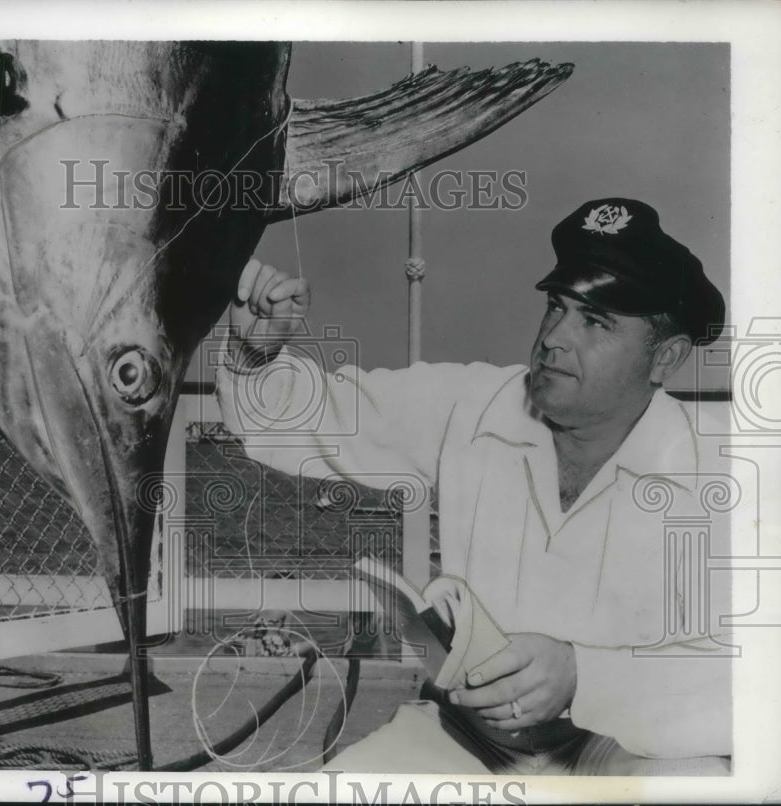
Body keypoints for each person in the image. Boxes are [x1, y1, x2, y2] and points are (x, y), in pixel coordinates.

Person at [215, 198, 733, 775]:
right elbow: (308, 415)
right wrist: (254, 354)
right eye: (556, 308)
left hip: (628, 750)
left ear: (666, 358)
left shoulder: (726, 471)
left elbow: (757, 674)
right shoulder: (475, 404)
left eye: (595, 322)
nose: (555, 338)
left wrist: (583, 676)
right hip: (467, 740)